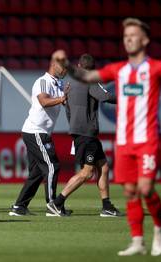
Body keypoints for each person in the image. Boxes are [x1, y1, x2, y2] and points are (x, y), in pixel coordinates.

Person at [63, 18, 161, 256]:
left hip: (147, 139)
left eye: (133, 35)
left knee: (145, 188)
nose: (129, 39)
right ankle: (137, 240)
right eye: (126, 36)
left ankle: (158, 228)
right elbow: (86, 77)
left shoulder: (156, 67)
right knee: (130, 192)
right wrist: (66, 65)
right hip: (124, 141)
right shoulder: (118, 70)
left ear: (144, 40)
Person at [47, 54, 123, 218]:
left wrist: (74, 126)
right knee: (87, 172)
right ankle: (57, 203)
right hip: (87, 132)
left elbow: (67, 107)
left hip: (79, 130)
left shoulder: (68, 83)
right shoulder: (89, 81)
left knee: (103, 166)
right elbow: (105, 96)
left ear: (79, 65)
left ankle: (107, 205)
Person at [9, 50, 69, 217]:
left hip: (42, 132)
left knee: (37, 172)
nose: (65, 70)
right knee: (52, 166)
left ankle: (19, 207)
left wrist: (67, 101)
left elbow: (61, 103)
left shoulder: (59, 84)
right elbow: (43, 101)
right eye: (63, 66)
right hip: (35, 131)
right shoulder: (43, 81)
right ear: (54, 64)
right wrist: (62, 99)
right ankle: (52, 205)